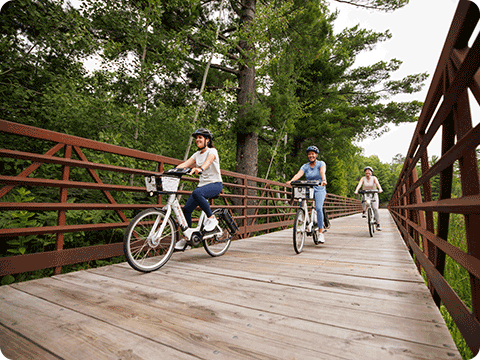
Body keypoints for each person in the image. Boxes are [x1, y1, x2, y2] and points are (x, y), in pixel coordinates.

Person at [174, 128, 223, 250]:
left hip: (215, 184)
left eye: (200, 138)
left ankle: (212, 219)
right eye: (196, 138)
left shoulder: (212, 151)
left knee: (196, 192)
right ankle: (187, 238)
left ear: (207, 140)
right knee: (186, 210)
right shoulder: (196, 154)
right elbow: (185, 164)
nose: (197, 140)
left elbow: (209, 161)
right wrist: (172, 171)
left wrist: (200, 168)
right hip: (202, 187)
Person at [286, 145, 327, 243]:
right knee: (301, 198)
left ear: (316, 155)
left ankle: (321, 233)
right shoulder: (305, 166)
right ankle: (304, 217)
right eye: (309, 154)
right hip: (308, 187)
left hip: (319, 187)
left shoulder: (321, 163)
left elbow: (322, 172)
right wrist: (291, 181)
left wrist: (324, 180)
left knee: (318, 208)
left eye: (313, 154)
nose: (311, 156)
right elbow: (299, 174)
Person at [354, 166, 383, 231]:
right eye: (366, 171)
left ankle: (378, 224)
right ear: (365, 172)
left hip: (373, 193)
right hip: (365, 193)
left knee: (375, 208)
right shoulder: (363, 178)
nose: (367, 172)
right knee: (364, 201)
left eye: (369, 171)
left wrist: (380, 189)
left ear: (371, 172)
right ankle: (364, 211)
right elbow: (359, 184)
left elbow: (377, 184)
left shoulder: (374, 178)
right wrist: (356, 190)